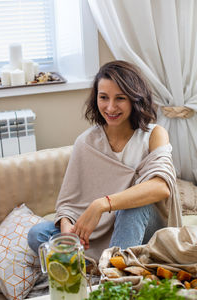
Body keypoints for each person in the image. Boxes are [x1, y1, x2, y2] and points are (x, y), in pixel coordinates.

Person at [28, 60, 182, 262]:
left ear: (135, 99)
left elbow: (161, 187)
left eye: (120, 98)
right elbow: (68, 202)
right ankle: (102, 261)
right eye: (103, 97)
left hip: (143, 227)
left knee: (131, 209)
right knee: (38, 234)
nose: (110, 107)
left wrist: (101, 204)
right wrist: (67, 228)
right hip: (99, 230)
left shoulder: (153, 135)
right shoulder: (86, 142)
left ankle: (111, 275)